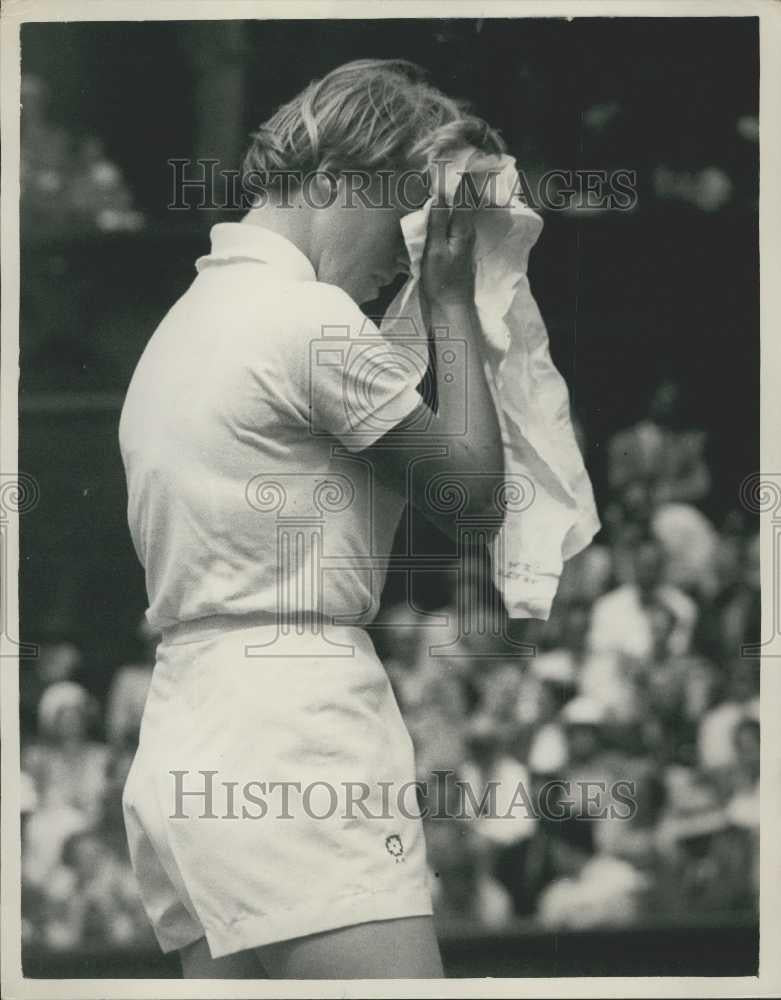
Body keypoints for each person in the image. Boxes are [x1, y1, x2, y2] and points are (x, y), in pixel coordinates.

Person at [119, 60, 507, 979]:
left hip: (186, 733)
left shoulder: (179, 326)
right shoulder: (307, 319)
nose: (403, 256)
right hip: (294, 730)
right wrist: (449, 301)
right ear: (335, 178)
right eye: (402, 210)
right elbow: (473, 503)